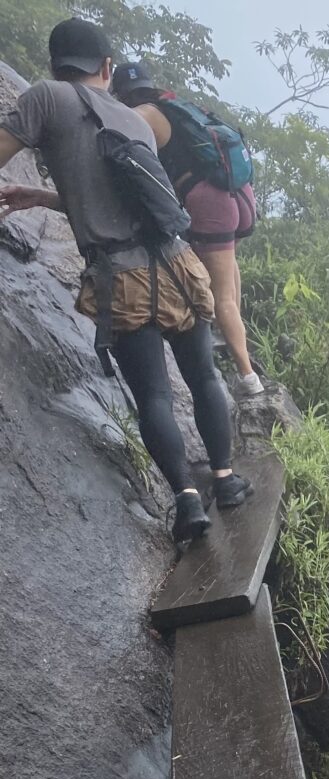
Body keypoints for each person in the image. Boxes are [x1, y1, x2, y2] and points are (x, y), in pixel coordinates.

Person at [0, 17, 253, 543]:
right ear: (107, 68)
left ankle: (187, 501)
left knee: (154, 396)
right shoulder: (137, 120)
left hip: (125, 274)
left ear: (54, 66)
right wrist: (44, 197)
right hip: (178, 263)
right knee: (203, 375)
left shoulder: (45, 97)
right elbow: (127, 194)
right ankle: (226, 483)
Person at [111, 62, 264, 396]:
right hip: (238, 192)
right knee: (229, 271)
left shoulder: (141, 115)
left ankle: (249, 380)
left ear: (120, 93)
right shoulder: (176, 106)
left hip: (210, 200)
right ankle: (238, 348)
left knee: (220, 295)